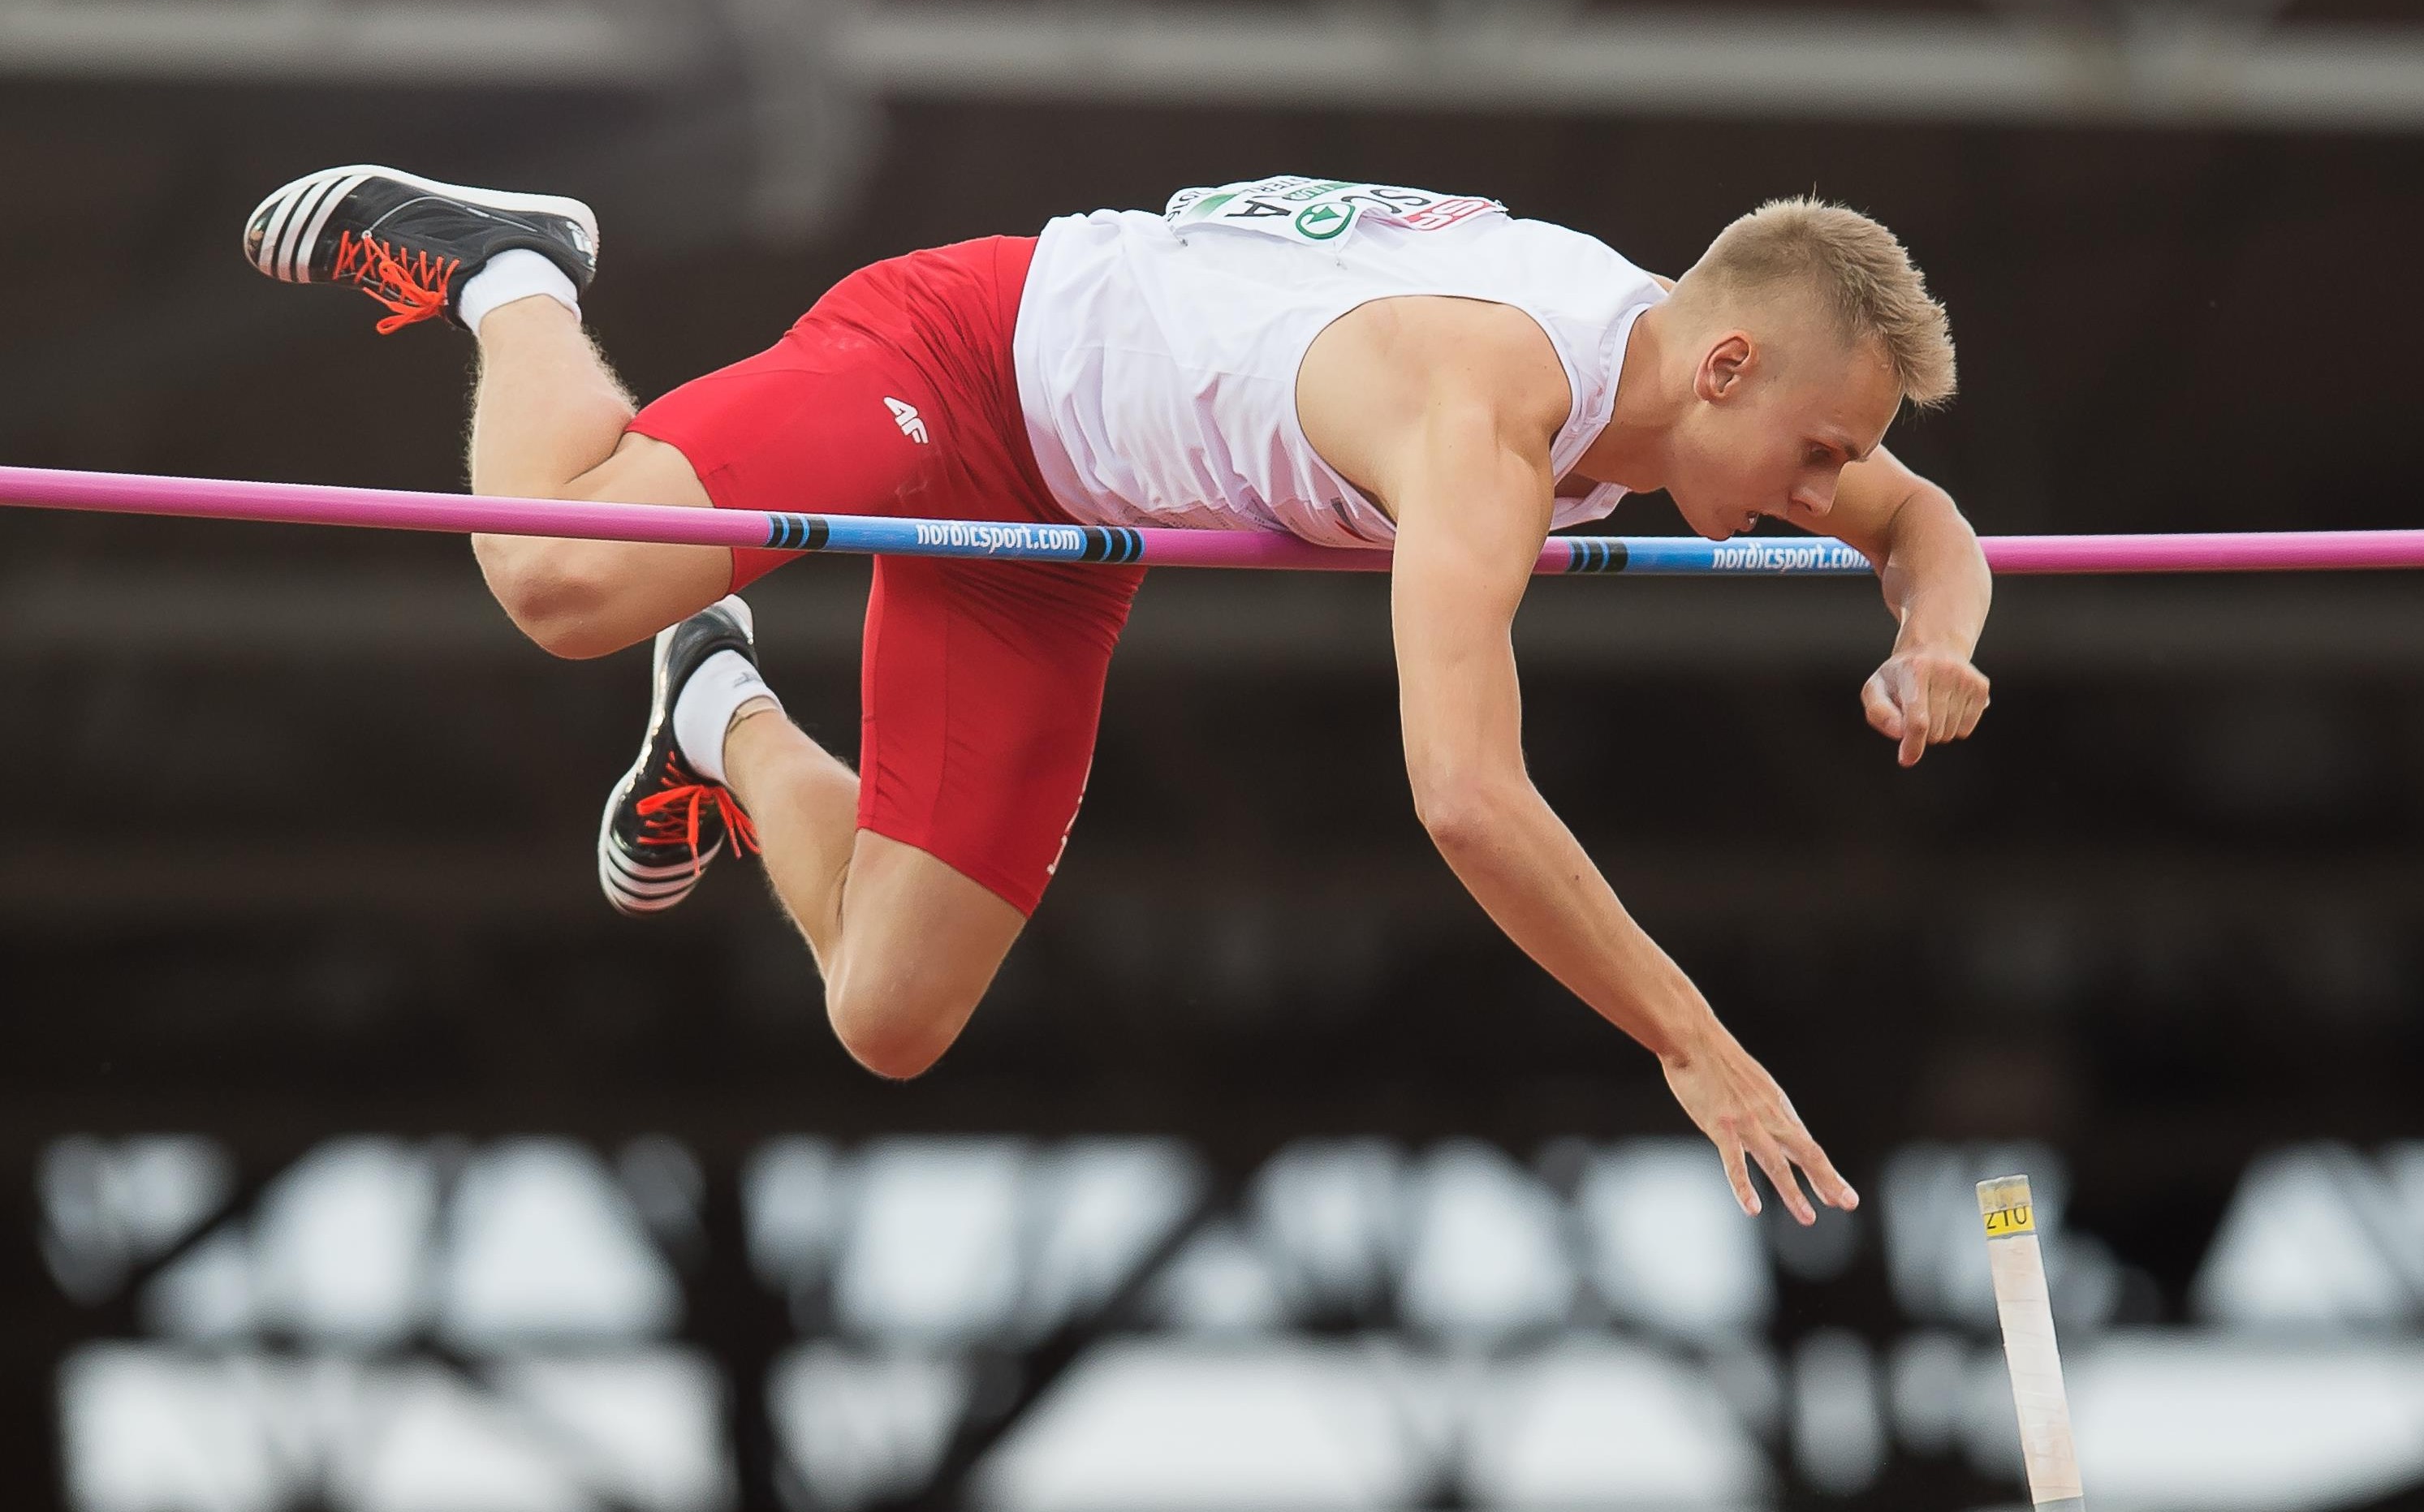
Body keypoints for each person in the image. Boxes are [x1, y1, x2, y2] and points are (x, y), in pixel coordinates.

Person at [243, 167, 1992, 1224]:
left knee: (891, 1008)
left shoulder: (1688, 381)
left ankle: (716, 713)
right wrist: (1694, 1039)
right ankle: (511, 267)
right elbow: (1463, 794)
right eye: (1817, 451)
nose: (1824, 489)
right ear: (1728, 364)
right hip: (972, 359)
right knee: (559, 578)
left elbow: (1927, 526)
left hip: (1072, 521)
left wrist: (1933, 634)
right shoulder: (1487, 414)